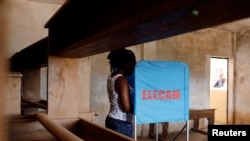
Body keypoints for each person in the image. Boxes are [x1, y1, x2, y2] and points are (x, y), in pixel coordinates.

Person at [105, 48, 136, 138]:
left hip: (112, 119)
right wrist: (142, 109)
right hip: (121, 123)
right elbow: (126, 108)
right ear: (126, 64)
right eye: (133, 64)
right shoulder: (121, 80)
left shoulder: (111, 76)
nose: (134, 68)